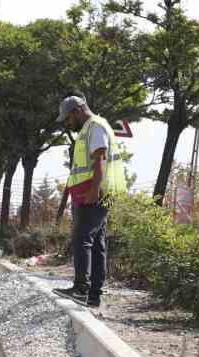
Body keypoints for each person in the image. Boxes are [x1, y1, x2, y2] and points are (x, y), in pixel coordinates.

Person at [53, 96, 126, 309]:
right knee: (96, 243)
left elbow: (100, 158)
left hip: (94, 193)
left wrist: (94, 190)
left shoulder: (95, 126)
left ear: (76, 111)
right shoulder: (90, 128)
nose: (67, 124)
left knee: (82, 238)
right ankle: (93, 296)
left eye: (67, 119)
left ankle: (81, 289)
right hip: (90, 192)